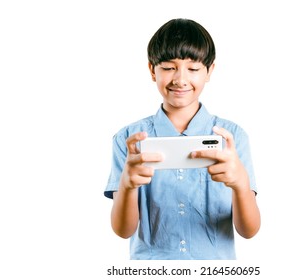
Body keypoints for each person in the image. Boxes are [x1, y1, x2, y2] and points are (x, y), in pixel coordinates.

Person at [104, 18, 260, 260]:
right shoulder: (129, 139)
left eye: (194, 69)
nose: (180, 79)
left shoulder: (232, 137)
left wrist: (240, 183)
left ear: (210, 71)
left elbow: (249, 231)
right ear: (151, 70)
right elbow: (123, 231)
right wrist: (126, 185)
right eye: (168, 68)